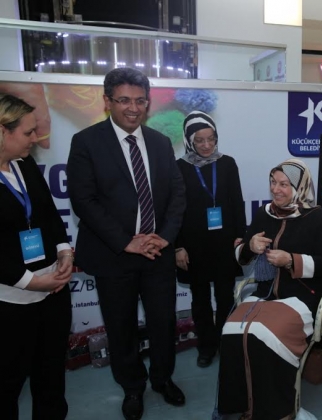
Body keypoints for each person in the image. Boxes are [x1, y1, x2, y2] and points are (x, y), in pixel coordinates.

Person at [66, 67, 186, 420]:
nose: (133, 108)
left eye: (140, 101)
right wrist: (126, 242)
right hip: (113, 255)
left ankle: (163, 379)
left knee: (164, 323)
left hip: (157, 253)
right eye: (124, 100)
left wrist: (164, 237)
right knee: (121, 328)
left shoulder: (160, 142)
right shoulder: (86, 142)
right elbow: (84, 201)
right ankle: (132, 387)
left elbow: (177, 194)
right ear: (107, 101)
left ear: (148, 103)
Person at [217, 158, 322, 420]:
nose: (276, 189)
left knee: (264, 335)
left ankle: (276, 411)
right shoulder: (264, 213)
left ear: (299, 187)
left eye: (284, 184)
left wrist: (291, 261)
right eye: (273, 182)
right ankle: (240, 407)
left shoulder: (316, 216)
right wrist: (250, 246)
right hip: (265, 293)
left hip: (302, 296)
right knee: (231, 331)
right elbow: (242, 257)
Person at [0, 94, 72, 419]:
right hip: (11, 301)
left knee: (51, 377)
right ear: (3, 131)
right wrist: (31, 282)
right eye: (28, 132)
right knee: (7, 384)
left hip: (52, 292)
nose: (35, 138)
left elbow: (48, 213)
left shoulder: (24, 163)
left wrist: (64, 251)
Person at [174, 111, 246, 368]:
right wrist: (178, 246)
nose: (206, 145)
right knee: (200, 299)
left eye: (211, 139)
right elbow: (175, 210)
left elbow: (237, 202)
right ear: (189, 141)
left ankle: (226, 342)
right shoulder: (180, 167)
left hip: (225, 242)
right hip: (194, 245)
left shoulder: (227, 163)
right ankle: (206, 346)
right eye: (200, 140)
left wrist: (240, 237)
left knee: (226, 297)